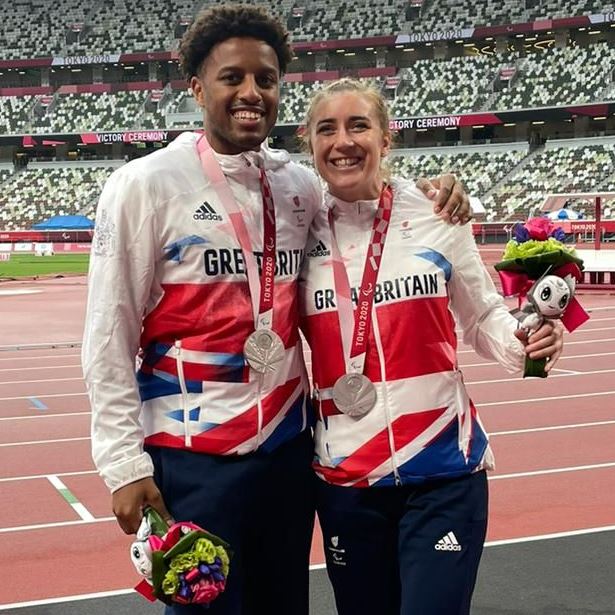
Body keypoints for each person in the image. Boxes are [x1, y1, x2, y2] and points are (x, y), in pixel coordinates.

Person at [82, 6, 471, 614]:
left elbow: (367, 192)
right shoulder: (145, 186)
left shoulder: (297, 186)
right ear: (197, 88)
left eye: (265, 80)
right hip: (193, 458)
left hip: (287, 454)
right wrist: (122, 464)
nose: (250, 93)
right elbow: (108, 335)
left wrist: (436, 194)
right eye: (231, 77)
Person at [299, 78, 564, 615]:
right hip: (348, 480)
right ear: (310, 145)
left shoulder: (438, 214)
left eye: (358, 125)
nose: (343, 140)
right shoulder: (295, 230)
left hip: (443, 471)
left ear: (386, 138)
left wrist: (525, 341)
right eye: (327, 129)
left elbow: (484, 314)